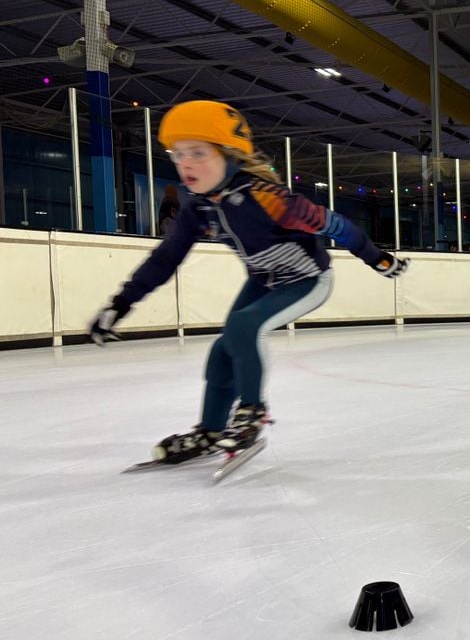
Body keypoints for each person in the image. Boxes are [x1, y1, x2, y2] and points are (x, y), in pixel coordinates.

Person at [88, 99, 409, 462]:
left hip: (307, 279)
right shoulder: (199, 207)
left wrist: (378, 259)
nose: (186, 163)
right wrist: (121, 304)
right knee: (222, 350)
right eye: (178, 154)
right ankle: (210, 431)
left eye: (198, 152)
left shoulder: (268, 198)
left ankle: (252, 412)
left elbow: (337, 225)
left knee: (243, 326)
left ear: (229, 155)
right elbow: (166, 258)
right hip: (263, 280)